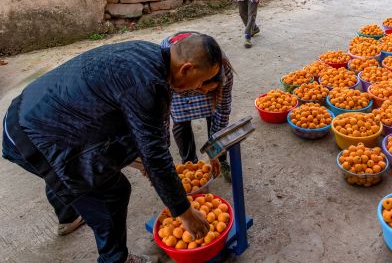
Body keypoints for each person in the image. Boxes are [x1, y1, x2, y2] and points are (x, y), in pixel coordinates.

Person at [2, 35, 226, 263]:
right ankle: (114, 258)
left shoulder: (148, 53)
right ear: (186, 68)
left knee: (66, 172)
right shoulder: (149, 84)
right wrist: (184, 213)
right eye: (202, 81)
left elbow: (122, 122)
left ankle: (67, 217)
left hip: (22, 116)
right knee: (112, 192)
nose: (200, 88)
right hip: (35, 138)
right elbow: (155, 155)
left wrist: (137, 160)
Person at [161, 31, 234, 182]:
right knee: (181, 123)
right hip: (180, 83)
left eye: (209, 90)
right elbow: (161, 114)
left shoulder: (223, 71)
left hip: (196, 76)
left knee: (214, 118)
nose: (204, 91)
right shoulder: (169, 69)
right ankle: (190, 164)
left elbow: (223, 111)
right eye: (200, 88)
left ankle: (221, 159)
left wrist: (214, 149)